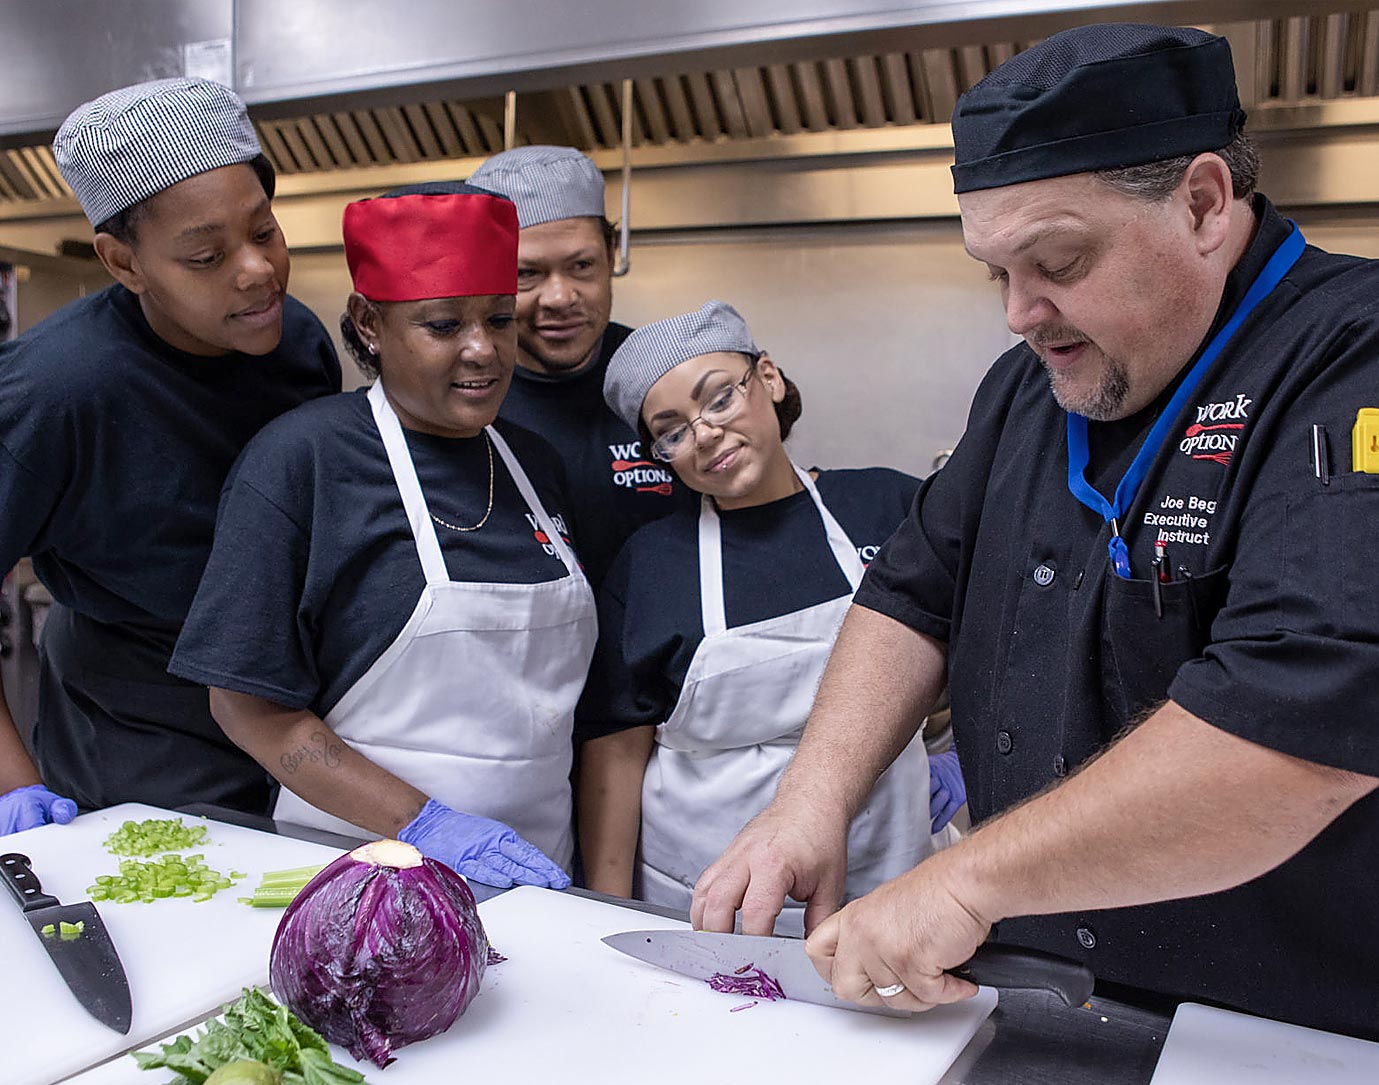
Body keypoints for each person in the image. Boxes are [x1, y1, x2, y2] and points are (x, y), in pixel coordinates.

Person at [692, 24, 1379, 1039]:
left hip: (1272, 1028)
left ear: (1201, 202)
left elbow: (1306, 722)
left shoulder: (1348, 354)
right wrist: (809, 797)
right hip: (1037, 994)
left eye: (1056, 259)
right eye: (992, 272)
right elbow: (913, 592)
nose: (1017, 312)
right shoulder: (1029, 383)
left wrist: (967, 877)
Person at [170, 182, 594, 888]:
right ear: (369, 324)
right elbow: (247, 707)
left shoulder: (534, 464)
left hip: (534, 871)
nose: (482, 351)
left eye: (497, 319)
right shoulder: (303, 460)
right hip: (355, 873)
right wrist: (426, 823)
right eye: (442, 326)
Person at [0, 78, 341, 833]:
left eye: (264, 232)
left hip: (288, 706)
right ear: (124, 263)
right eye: (206, 255)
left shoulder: (298, 341)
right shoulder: (57, 390)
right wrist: (11, 784)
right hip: (133, 725)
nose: (255, 271)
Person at [576, 301, 961, 927]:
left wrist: (964, 755)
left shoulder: (886, 505)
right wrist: (607, 911)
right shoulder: (650, 564)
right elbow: (617, 750)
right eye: (671, 430)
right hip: (706, 898)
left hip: (889, 877)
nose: (705, 435)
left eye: (720, 399)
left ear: (770, 379)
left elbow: (988, 641)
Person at [468, 146, 690, 587]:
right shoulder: (465, 397)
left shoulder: (666, 376)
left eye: (582, 266)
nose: (559, 298)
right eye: (526, 274)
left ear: (612, 252)